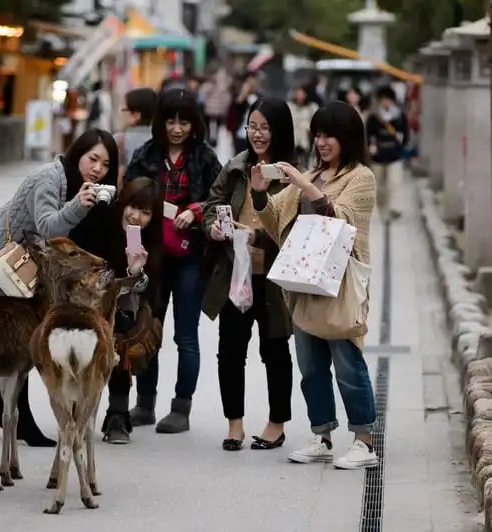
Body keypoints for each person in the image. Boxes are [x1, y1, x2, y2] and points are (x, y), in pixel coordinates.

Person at [0, 128, 120, 447]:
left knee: (24, 334)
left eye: (105, 165)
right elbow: (48, 228)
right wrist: (80, 205)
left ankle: (5, 411)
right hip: (9, 259)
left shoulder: (82, 185)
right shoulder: (49, 178)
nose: (97, 169)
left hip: (35, 263)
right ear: (77, 153)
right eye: (92, 159)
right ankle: (17, 417)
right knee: (19, 334)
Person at [250, 101, 379, 470]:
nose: (322, 142)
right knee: (310, 367)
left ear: (348, 138)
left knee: (347, 364)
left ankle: (364, 440)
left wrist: (305, 184)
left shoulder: (360, 178)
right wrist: (260, 192)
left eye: (329, 135)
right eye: (318, 135)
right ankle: (321, 435)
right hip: (303, 285)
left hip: (339, 287)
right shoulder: (313, 175)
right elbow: (275, 220)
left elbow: (343, 222)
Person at [124, 89, 223, 433]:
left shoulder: (206, 158)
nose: (177, 128)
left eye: (184, 121)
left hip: (190, 258)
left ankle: (181, 408)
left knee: (186, 336)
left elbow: (221, 200)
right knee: (148, 328)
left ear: (195, 123)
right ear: (160, 122)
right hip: (150, 258)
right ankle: (145, 403)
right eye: (170, 120)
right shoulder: (145, 155)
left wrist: (195, 211)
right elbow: (129, 201)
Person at [202, 97, 296, 451]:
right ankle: (234, 423)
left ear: (280, 130)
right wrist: (213, 227)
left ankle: (276, 423)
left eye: (265, 127)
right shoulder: (236, 166)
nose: (257, 134)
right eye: (252, 126)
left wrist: (260, 237)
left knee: (274, 349)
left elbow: (295, 225)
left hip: (273, 278)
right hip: (236, 271)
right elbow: (213, 204)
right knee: (230, 350)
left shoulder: (291, 173)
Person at [99, 177, 164, 444]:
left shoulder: (150, 243)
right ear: (123, 203)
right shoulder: (102, 223)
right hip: (90, 298)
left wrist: (134, 273)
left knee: (124, 329)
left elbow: (149, 291)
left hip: (122, 306)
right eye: (132, 207)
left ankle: (118, 414)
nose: (136, 217)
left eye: (146, 213)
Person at [365, 85, 409, 220]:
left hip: (394, 155)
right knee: (379, 186)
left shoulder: (399, 116)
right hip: (378, 155)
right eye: (383, 99)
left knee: (394, 183)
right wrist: (370, 147)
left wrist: (401, 148)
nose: (386, 102)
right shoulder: (373, 117)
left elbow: (405, 134)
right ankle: (383, 208)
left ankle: (394, 208)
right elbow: (368, 134)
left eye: (388, 99)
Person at [115, 87, 159, 187]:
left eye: (123, 109)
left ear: (136, 115)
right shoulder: (163, 140)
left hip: (129, 196)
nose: (121, 113)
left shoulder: (119, 140)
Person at [288, 86, 318, 166]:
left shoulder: (312, 107)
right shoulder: (289, 106)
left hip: (307, 140)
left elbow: (316, 122)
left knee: (306, 163)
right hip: (293, 140)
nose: (300, 96)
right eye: (298, 94)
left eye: (302, 94)